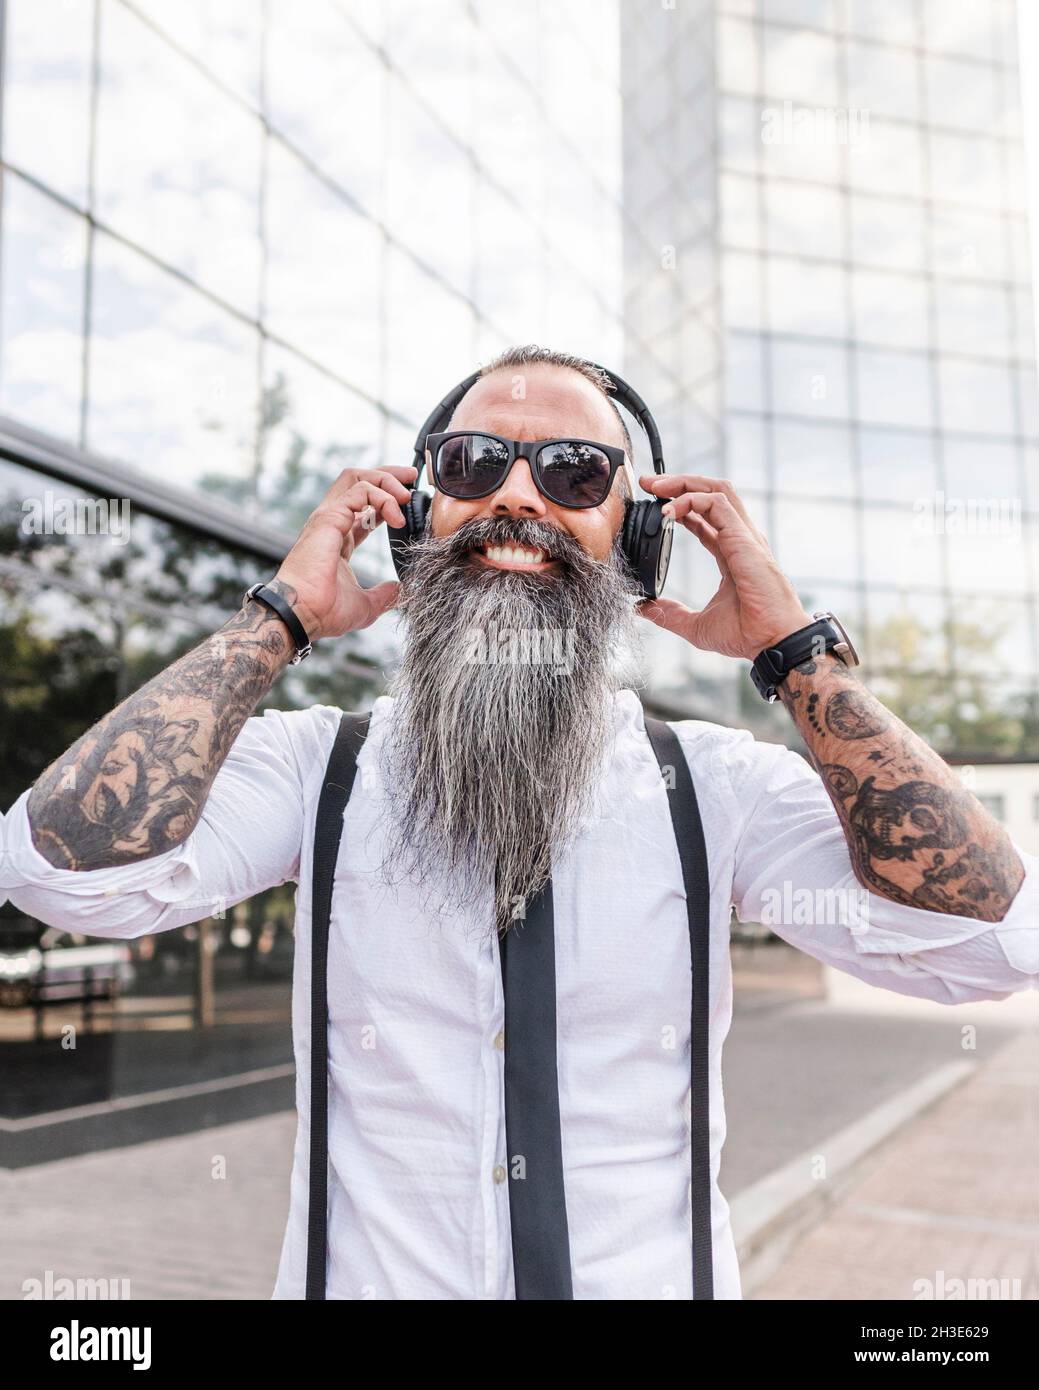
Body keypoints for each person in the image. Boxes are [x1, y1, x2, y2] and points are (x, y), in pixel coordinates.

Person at [2, 344, 1036, 1301]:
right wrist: (276, 619)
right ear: (414, 516)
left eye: (576, 473)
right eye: (471, 461)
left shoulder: (713, 786)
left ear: (634, 535)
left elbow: (995, 939)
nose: (513, 496)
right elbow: (55, 872)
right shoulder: (319, 768)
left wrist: (797, 654)